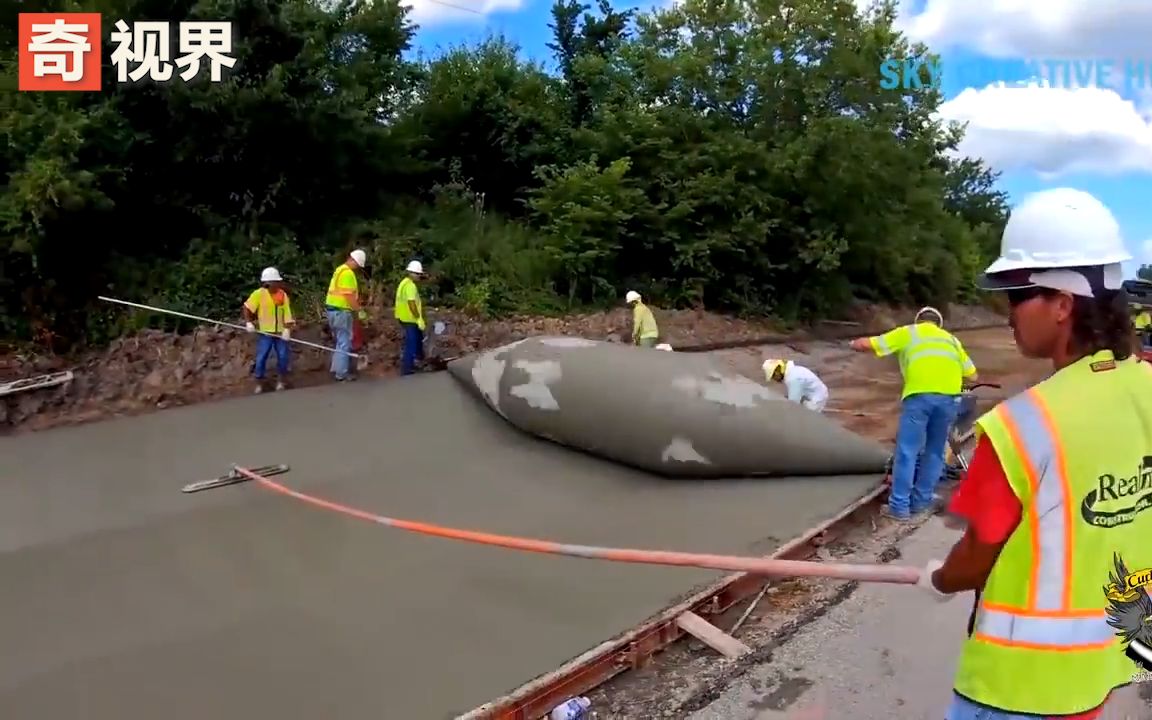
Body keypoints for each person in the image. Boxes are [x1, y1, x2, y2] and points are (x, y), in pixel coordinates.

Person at [920, 188, 1151, 720]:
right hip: (1108, 663)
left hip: (1020, 685)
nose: (1008, 313)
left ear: (1063, 304)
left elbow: (977, 557)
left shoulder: (1021, 426)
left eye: (1017, 296)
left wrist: (938, 579)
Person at [850, 306, 979, 520]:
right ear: (939, 324)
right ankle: (921, 501)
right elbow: (973, 375)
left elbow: (869, 344)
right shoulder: (951, 340)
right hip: (949, 399)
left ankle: (899, 507)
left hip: (919, 397)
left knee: (908, 451)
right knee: (935, 451)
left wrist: (852, 344)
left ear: (919, 320)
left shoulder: (909, 332)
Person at [242, 267, 295, 393]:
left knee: (282, 357)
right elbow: (246, 307)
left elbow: (287, 314)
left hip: (280, 332)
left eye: (277, 282)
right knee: (261, 357)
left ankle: (281, 381)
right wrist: (248, 322)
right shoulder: (259, 294)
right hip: (266, 333)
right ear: (268, 283)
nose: (277, 284)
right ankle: (259, 383)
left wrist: (287, 329)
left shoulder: (282, 295)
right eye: (274, 282)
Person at [325, 249, 366, 382]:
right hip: (341, 311)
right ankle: (341, 374)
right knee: (345, 342)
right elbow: (348, 295)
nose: (358, 269)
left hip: (333, 311)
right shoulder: (347, 273)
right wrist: (358, 310)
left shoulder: (340, 270)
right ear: (354, 261)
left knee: (340, 341)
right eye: (358, 265)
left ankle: (336, 369)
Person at [395, 260, 426, 375]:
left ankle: (417, 361)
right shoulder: (411, 286)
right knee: (411, 343)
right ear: (412, 273)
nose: (419, 276)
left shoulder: (404, 283)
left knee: (417, 340)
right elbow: (411, 303)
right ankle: (407, 368)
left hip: (403, 317)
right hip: (410, 319)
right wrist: (418, 318)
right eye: (418, 274)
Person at [762, 358, 829, 412]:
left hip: (816, 399)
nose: (775, 380)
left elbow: (793, 403)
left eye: (773, 377)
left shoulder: (793, 378)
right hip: (812, 394)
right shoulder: (793, 371)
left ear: (777, 372)